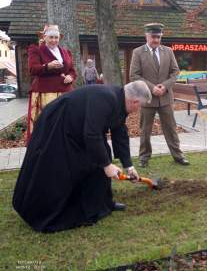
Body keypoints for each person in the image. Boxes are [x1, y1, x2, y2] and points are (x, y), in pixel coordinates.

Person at [12, 81, 151, 232]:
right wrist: (106, 165)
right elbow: (91, 135)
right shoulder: (107, 98)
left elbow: (119, 134)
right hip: (58, 125)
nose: (139, 110)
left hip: (79, 129)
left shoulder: (119, 101)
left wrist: (128, 166)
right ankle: (45, 212)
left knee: (102, 153)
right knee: (61, 167)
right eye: (141, 106)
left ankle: (102, 204)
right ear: (134, 101)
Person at [130, 23, 189, 167]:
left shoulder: (168, 51)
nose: (156, 40)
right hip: (147, 99)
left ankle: (178, 156)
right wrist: (152, 88)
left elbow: (175, 72)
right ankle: (144, 157)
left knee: (170, 128)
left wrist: (166, 85)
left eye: (158, 37)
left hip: (165, 97)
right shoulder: (138, 52)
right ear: (146, 36)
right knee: (145, 130)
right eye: (153, 36)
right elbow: (134, 75)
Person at [26, 24, 77, 143]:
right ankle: (45, 146)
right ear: (44, 37)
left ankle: (65, 145)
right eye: (51, 37)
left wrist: (71, 76)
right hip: (46, 92)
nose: (54, 40)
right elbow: (32, 69)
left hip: (65, 92)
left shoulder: (66, 52)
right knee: (49, 122)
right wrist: (47, 66)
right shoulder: (36, 50)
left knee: (66, 122)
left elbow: (72, 70)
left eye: (56, 37)